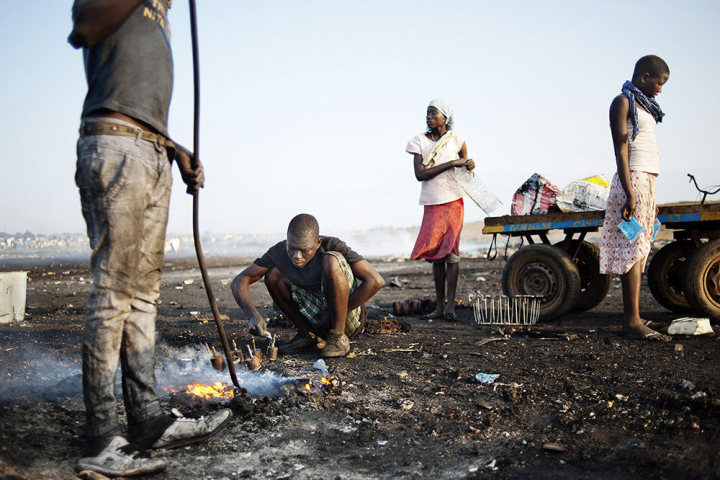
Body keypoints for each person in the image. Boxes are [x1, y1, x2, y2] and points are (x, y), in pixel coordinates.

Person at [69, 1, 231, 476]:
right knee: (114, 295)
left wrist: (175, 150)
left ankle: (146, 421)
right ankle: (100, 438)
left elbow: (138, 93)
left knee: (144, 297)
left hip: (152, 150)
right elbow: (84, 26)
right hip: (116, 145)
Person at [231, 214, 385, 357]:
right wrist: (252, 315)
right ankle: (308, 336)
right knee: (273, 275)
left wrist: (331, 313)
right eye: (292, 248)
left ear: (317, 243)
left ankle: (338, 338)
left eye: (304, 250)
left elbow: (375, 281)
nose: (297, 256)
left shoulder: (331, 244)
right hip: (316, 319)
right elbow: (240, 279)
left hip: (347, 319)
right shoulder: (279, 251)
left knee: (331, 259)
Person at [600, 55, 671, 341]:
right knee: (632, 247)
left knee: (640, 247)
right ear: (644, 77)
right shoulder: (623, 102)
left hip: (646, 179)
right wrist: (630, 193)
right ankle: (631, 322)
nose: (661, 89)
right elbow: (621, 149)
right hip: (633, 180)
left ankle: (636, 317)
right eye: (659, 82)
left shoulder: (645, 105)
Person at [406, 99, 475, 321]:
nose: (428, 117)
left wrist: (469, 164)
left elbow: (466, 169)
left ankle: (451, 308)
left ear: (444, 118)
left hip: (454, 201)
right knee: (437, 255)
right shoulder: (418, 141)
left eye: (433, 113)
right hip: (432, 203)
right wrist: (451, 164)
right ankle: (440, 307)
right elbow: (420, 175)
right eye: (427, 113)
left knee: (452, 255)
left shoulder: (457, 141)